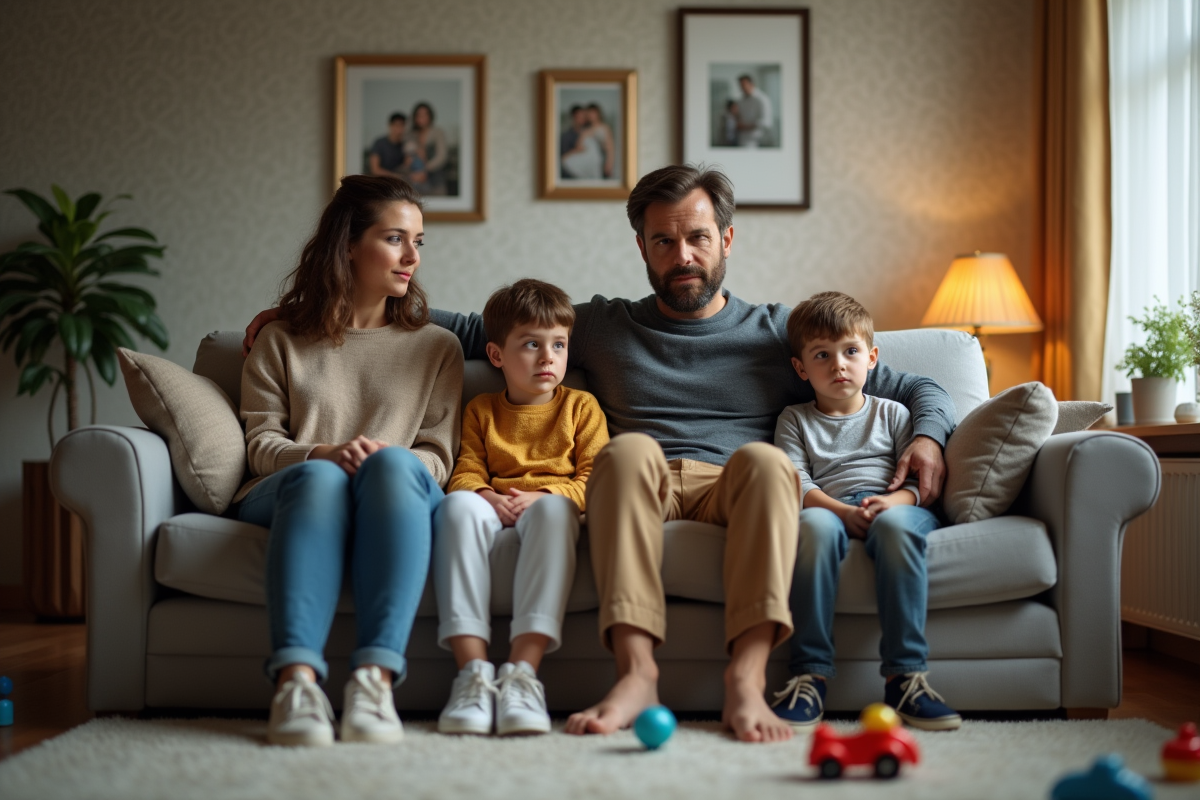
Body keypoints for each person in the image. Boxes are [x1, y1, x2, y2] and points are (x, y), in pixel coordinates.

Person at [241, 164, 956, 744]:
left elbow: (912, 382)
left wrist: (927, 434)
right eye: (664, 242)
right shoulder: (602, 326)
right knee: (625, 451)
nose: (683, 257)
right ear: (642, 246)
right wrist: (309, 310)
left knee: (771, 462)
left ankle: (747, 676)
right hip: (633, 476)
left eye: (698, 238)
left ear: (727, 239)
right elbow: (486, 325)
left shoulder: (778, 333)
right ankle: (637, 673)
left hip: (728, 481)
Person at [237, 174, 463, 746]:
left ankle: (373, 681)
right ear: (347, 246)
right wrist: (324, 453)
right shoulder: (280, 340)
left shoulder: (437, 346)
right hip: (297, 488)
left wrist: (389, 460)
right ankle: (296, 684)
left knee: (392, 466)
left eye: (418, 241)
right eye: (395, 239)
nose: (413, 256)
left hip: (395, 490)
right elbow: (261, 445)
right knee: (319, 478)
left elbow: (437, 456)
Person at [770, 292, 962, 732]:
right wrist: (840, 512)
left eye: (851, 351)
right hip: (828, 507)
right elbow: (796, 481)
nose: (839, 365)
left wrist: (892, 502)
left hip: (894, 505)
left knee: (896, 528)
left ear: (872, 357)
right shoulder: (794, 419)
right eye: (822, 355)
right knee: (811, 531)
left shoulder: (894, 413)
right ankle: (809, 676)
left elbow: (919, 480)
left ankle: (906, 677)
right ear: (802, 368)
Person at [434, 278, 609, 736]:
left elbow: (596, 479)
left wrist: (545, 496)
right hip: (494, 507)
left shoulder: (581, 407)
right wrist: (486, 497)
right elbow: (465, 472)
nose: (548, 357)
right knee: (454, 508)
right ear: (497, 356)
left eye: (558, 344)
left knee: (553, 512)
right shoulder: (480, 410)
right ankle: (471, 673)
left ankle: (521, 675)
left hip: (551, 507)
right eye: (531, 344)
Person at [405, 102, 448, 195]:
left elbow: (441, 157)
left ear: (430, 116)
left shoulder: (437, 132)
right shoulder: (412, 134)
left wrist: (425, 169)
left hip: (435, 180)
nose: (422, 117)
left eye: (425, 114)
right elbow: (406, 151)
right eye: (419, 115)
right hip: (415, 180)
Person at [736, 74, 774, 147]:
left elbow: (766, 122)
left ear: (751, 84)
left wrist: (745, 127)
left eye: (744, 85)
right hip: (743, 140)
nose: (742, 88)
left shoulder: (762, 99)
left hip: (758, 141)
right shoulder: (741, 100)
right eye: (740, 85)